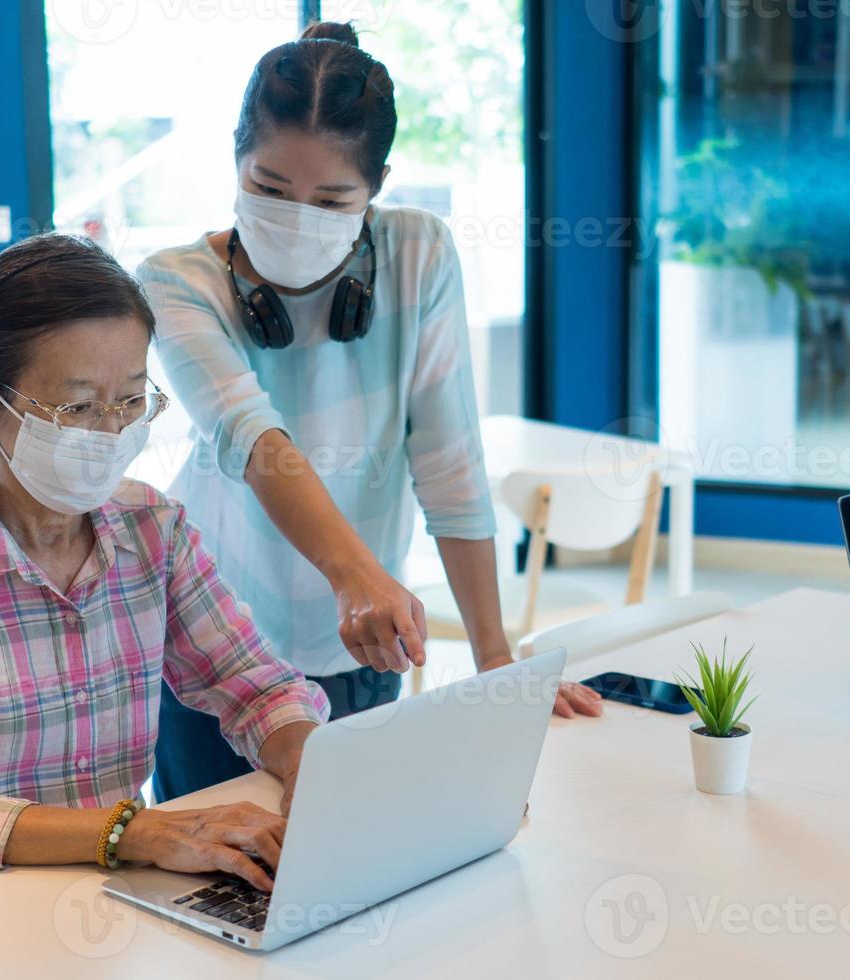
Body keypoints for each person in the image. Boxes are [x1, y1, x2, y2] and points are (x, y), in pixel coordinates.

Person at [139, 21, 602, 802]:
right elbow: (254, 439)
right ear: (235, 162)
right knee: (209, 876)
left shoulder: (418, 253)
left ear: (377, 184)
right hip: (210, 644)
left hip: (360, 638)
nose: (294, 216)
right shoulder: (176, 281)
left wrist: (494, 658)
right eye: (269, 189)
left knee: (350, 858)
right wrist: (359, 575)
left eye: (331, 199)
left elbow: (449, 461)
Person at [0, 233, 326, 902]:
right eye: (75, 408)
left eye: (129, 402)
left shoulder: (152, 528)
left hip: (104, 898)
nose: (108, 434)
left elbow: (256, 687)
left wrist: (311, 770)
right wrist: (137, 833)